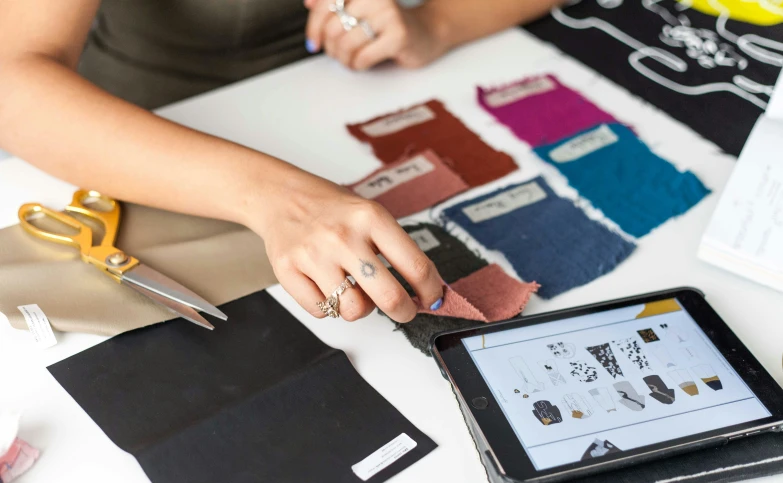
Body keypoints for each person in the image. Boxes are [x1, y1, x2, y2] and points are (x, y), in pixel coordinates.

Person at [0, 0, 560, 324]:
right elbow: (11, 81)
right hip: (127, 128)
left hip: (334, 94)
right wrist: (277, 197)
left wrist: (436, 23)